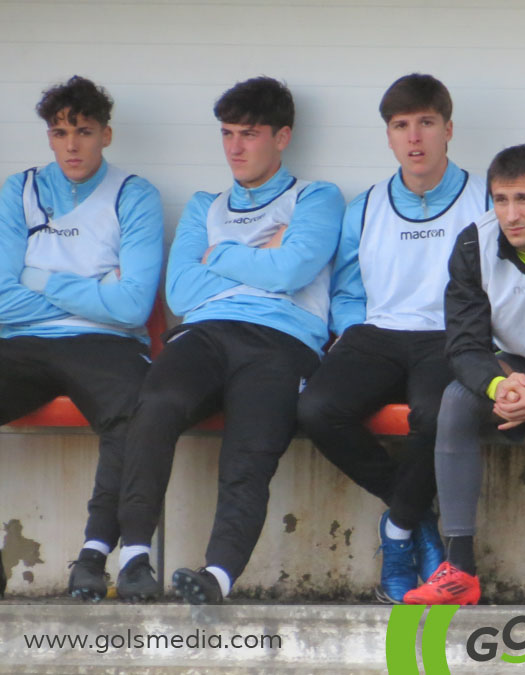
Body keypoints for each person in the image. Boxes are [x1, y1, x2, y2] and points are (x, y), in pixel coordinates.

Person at [114, 76, 344, 603]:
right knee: (155, 403)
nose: (235, 147)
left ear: (281, 137)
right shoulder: (204, 206)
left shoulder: (316, 197)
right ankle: (133, 558)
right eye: (227, 134)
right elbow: (179, 289)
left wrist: (216, 256)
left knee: (250, 451)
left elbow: (293, 268)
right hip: (206, 332)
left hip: (282, 340)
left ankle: (217, 576)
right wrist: (263, 256)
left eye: (249, 134)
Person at [296, 73, 488, 604]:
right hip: (379, 333)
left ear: (448, 129)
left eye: (426, 122)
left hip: (450, 335)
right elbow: (349, 290)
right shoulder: (366, 205)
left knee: (434, 414)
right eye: (401, 126)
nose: (415, 137)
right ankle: (417, 517)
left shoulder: (485, 199)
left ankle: (398, 534)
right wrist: (356, 332)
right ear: (389, 137)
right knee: (316, 408)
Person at [0, 76, 162, 602]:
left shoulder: (134, 195)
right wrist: (95, 291)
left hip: (105, 345)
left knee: (136, 411)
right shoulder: (17, 191)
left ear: (106, 136)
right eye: (60, 132)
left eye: (84, 132)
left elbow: (134, 305)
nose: (72, 145)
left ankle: (97, 555)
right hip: (20, 341)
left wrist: (38, 277)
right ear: (48, 136)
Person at [402, 144, 525, 605]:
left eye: (524, 199)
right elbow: (463, 345)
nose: (511, 214)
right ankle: (460, 570)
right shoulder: (471, 244)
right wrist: (501, 386)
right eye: (500, 200)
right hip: (517, 369)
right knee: (457, 398)